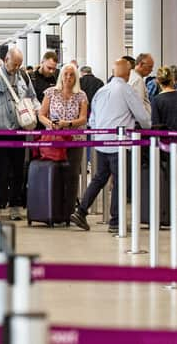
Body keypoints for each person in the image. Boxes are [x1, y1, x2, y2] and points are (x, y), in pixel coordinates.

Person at [70, 58, 151, 233]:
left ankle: (81, 211)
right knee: (120, 182)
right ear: (128, 73)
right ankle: (116, 221)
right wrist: (147, 126)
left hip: (100, 142)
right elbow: (143, 117)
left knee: (99, 178)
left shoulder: (101, 90)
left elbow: (92, 119)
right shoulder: (126, 90)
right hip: (119, 144)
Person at [0, 47, 39, 220]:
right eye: (14, 64)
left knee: (18, 171)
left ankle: (15, 205)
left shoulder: (23, 77)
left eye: (19, 64)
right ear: (5, 59)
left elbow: (33, 97)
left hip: (19, 131)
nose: (16, 67)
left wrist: (36, 112)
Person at [38, 63, 88, 211]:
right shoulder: (50, 93)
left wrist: (68, 123)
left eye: (72, 74)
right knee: (55, 173)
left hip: (75, 140)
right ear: (61, 76)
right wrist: (50, 124)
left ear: (76, 77)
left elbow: (83, 118)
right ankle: (53, 208)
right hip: (54, 139)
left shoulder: (81, 95)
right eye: (66, 74)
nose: (68, 77)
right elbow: (41, 114)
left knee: (73, 175)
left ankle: (69, 210)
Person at [151, 67, 177, 131]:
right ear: (172, 80)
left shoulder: (156, 100)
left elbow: (156, 124)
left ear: (158, 81)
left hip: (165, 138)